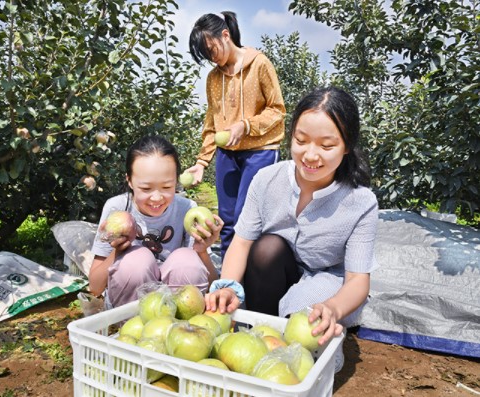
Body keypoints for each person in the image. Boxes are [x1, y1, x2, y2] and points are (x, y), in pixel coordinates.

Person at [205, 86, 379, 372]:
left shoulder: (360, 202)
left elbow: (358, 280)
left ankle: (295, 350)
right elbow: (241, 242)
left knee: (307, 335)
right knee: (266, 248)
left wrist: (333, 308)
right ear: (291, 137)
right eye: (301, 140)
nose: (310, 155)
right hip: (275, 274)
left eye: (326, 146)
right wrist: (229, 286)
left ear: (346, 146)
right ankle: (257, 333)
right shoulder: (266, 180)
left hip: (325, 281)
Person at [185, 11, 286, 259]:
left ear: (225, 35)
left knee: (247, 216)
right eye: (206, 55)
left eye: (212, 49)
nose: (212, 58)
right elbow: (212, 121)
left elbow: (277, 110)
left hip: (261, 150)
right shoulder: (213, 78)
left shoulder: (259, 64)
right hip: (227, 153)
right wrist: (201, 163)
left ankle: (256, 273)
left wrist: (245, 126)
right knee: (227, 218)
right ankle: (230, 280)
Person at [89, 135, 223, 307]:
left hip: (177, 309)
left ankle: (182, 326)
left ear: (176, 181)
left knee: (187, 260)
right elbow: (95, 288)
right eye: (146, 188)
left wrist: (202, 251)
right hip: (130, 311)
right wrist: (117, 252)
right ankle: (128, 325)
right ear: (129, 181)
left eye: (167, 187)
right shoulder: (117, 208)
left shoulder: (187, 208)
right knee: (135, 260)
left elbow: (211, 285)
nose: (157, 197)